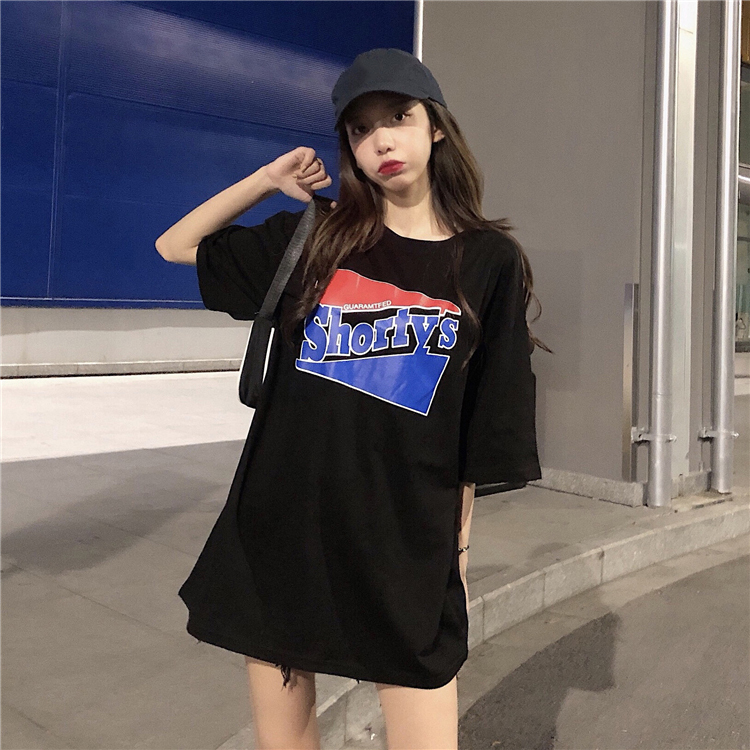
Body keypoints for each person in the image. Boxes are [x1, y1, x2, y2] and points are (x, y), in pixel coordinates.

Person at [156, 47, 549, 750]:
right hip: (286, 522)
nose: (382, 141)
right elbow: (176, 245)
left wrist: (456, 553)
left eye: (398, 117)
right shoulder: (320, 234)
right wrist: (267, 181)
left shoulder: (488, 260)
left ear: (436, 127)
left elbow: (483, 425)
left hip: (402, 537)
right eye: (362, 130)